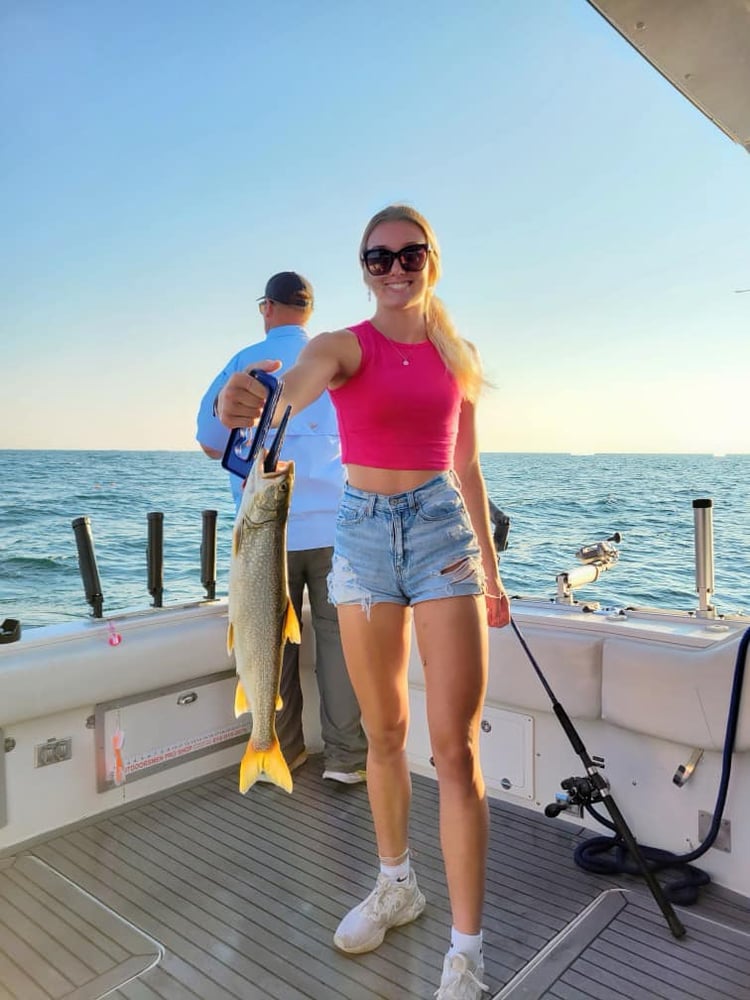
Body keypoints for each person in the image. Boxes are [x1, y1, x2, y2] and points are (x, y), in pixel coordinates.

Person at [215, 208, 511, 999]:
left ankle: (468, 951)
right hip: (364, 535)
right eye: (378, 258)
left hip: (443, 533)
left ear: (432, 261)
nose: (394, 268)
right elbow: (293, 387)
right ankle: (396, 885)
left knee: (454, 751)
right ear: (364, 267)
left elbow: (469, 469)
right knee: (384, 735)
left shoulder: (459, 356)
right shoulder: (342, 345)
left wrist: (492, 568)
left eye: (410, 255)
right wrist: (253, 400)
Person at [196, 270, 368, 785]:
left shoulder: (246, 362)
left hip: (266, 537)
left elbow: (210, 440)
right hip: (339, 530)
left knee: (270, 639)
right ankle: (347, 759)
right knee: (341, 643)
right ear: (309, 310)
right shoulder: (335, 359)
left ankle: (284, 749)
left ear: (266, 307)